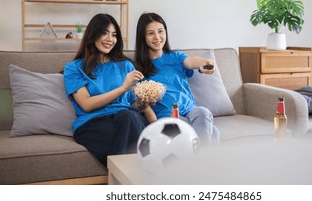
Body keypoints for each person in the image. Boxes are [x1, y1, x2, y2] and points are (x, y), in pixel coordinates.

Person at [63, 13, 151, 166]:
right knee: (131, 127)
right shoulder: (74, 68)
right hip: (93, 124)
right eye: (104, 33)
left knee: (129, 117)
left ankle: (121, 177)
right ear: (93, 34)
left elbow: (134, 105)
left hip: (127, 120)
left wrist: (144, 103)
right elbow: (87, 104)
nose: (110, 39)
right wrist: (122, 88)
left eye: (114, 35)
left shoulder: (126, 66)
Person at [135, 12, 220, 147]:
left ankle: (198, 162)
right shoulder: (138, 68)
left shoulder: (176, 56)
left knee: (203, 111)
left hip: (192, 112)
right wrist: (154, 124)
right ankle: (203, 162)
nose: (157, 37)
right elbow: (142, 104)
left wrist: (205, 62)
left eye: (160, 31)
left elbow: (191, 61)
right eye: (150, 33)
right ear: (143, 37)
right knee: (213, 132)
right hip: (168, 116)